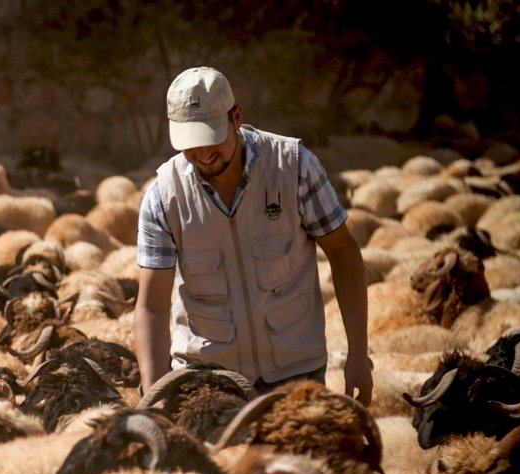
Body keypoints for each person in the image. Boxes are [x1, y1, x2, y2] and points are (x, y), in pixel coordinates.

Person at [134, 66, 373, 405]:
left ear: (236, 116)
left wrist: (358, 356)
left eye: (212, 137)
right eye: (191, 144)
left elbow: (344, 255)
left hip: (295, 375)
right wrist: (153, 393)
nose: (203, 154)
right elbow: (152, 306)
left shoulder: (294, 168)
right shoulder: (164, 196)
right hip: (208, 382)